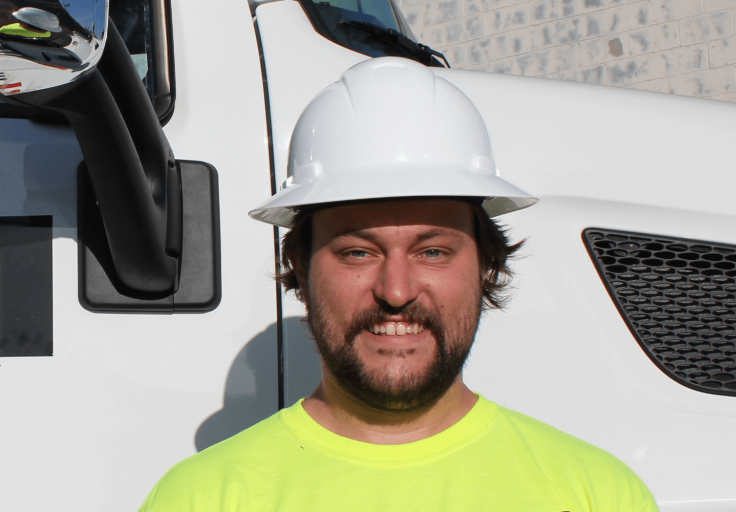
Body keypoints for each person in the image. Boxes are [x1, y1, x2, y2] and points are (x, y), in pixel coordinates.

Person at [140, 57, 659, 511]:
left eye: (432, 252)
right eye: (357, 253)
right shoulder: (201, 500)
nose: (395, 291)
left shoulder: (597, 496)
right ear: (300, 266)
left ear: (486, 266)